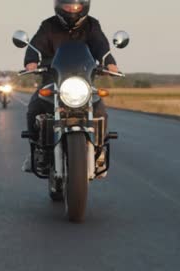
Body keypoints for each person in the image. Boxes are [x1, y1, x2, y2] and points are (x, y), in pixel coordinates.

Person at [22, 0, 119, 172]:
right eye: (68, 5)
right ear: (59, 6)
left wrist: (109, 63)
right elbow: (37, 45)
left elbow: (101, 45)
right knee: (34, 106)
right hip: (54, 80)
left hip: (84, 83)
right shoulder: (49, 25)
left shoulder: (91, 25)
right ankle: (37, 151)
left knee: (100, 111)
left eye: (76, 5)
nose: (73, 9)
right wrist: (31, 61)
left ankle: (99, 150)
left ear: (84, 6)